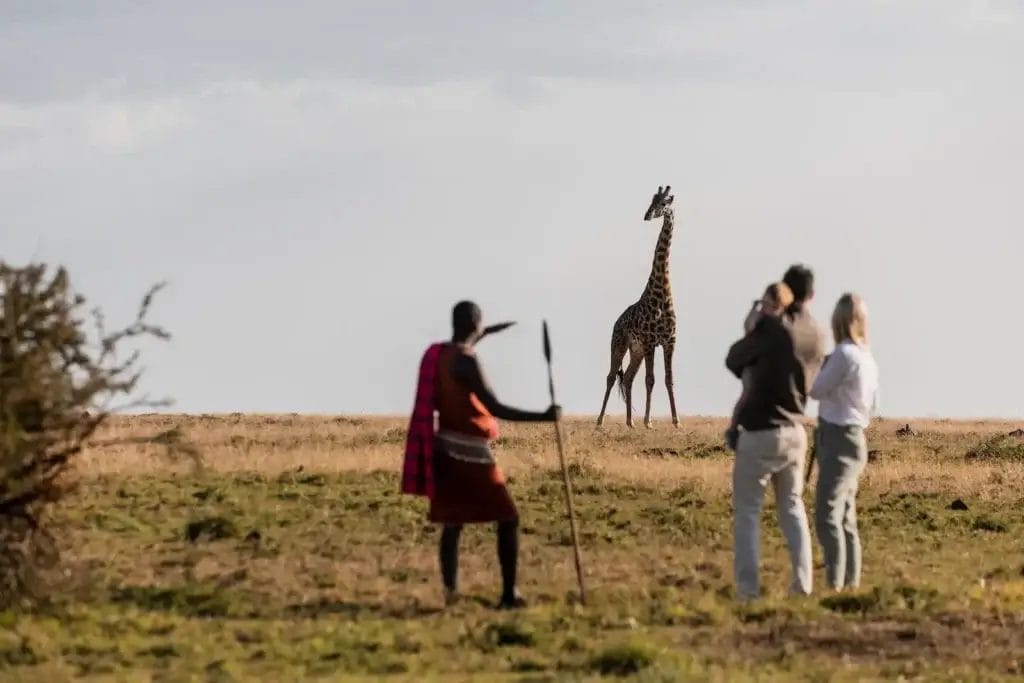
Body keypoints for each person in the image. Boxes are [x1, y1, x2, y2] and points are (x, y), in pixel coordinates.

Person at [401, 300, 559, 610]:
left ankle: (451, 594)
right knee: (508, 518)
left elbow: (466, 340)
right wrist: (544, 416)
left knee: (452, 523)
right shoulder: (468, 362)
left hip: (444, 450)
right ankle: (509, 595)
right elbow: (496, 407)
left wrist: (488, 332)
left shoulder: (439, 355)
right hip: (472, 455)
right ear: (474, 326)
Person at [724, 265, 826, 600]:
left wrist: (753, 327)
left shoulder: (773, 329)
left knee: (748, 513)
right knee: (793, 507)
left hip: (761, 430)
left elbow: (734, 358)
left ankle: (748, 592)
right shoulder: (817, 333)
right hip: (796, 430)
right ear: (811, 295)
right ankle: (803, 585)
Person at [809, 293, 879, 591]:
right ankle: (850, 584)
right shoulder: (867, 358)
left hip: (837, 437)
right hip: (856, 436)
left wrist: (821, 367)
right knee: (847, 517)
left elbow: (816, 390)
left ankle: (834, 584)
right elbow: (873, 407)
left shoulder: (843, 355)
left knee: (827, 514)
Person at [725, 282, 795, 451]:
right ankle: (734, 429)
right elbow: (748, 328)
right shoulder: (763, 321)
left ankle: (735, 429)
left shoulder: (779, 328)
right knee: (745, 397)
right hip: (754, 364)